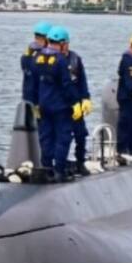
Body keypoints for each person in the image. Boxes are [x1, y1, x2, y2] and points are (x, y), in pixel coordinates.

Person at [34, 25, 82, 181]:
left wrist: (35, 102)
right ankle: (59, 171)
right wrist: (75, 102)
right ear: (62, 43)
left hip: (43, 105)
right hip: (60, 107)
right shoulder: (61, 60)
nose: (67, 46)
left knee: (46, 137)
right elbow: (67, 84)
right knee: (63, 137)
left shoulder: (38, 57)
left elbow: (33, 82)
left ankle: (46, 169)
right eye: (66, 43)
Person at [63, 34, 93, 176]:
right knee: (63, 137)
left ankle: (80, 162)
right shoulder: (54, 61)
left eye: (65, 43)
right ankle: (61, 165)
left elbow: (82, 81)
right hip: (63, 106)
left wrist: (86, 98)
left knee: (81, 134)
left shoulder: (75, 59)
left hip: (77, 105)